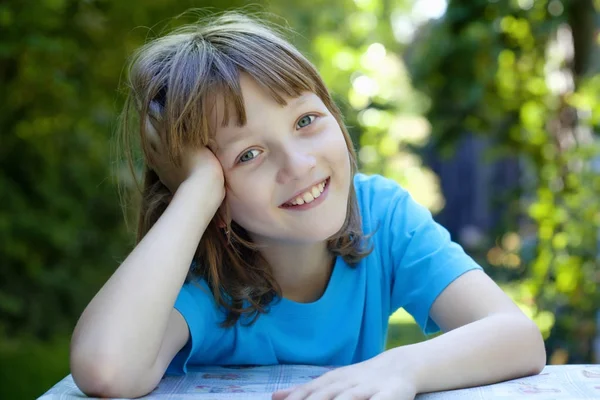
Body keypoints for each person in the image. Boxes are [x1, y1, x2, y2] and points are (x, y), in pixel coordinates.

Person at [69, 11, 546, 400]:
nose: (298, 165)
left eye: (306, 120)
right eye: (247, 155)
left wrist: (405, 367)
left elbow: (516, 336)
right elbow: (105, 370)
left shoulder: (382, 214)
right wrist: (197, 192)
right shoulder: (198, 272)